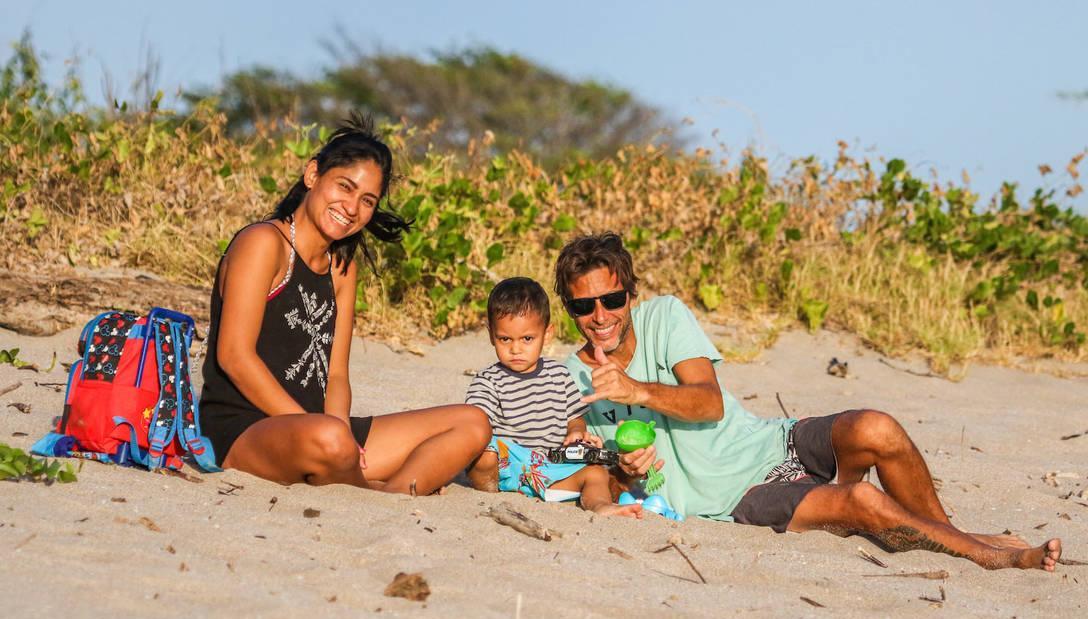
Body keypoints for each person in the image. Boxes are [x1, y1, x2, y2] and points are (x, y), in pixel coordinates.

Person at [554, 232, 1062, 571]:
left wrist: (637, 389)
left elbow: (708, 403)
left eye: (612, 299)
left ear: (631, 295)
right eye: (583, 304)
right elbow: (590, 467)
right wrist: (623, 466)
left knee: (876, 426)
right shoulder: (572, 377)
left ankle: (957, 535)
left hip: (770, 440)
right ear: (570, 309)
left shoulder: (664, 316)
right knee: (862, 501)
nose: (600, 315)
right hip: (736, 497)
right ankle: (989, 557)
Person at [199, 114, 489, 493]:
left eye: (366, 200)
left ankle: (391, 493)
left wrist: (344, 436)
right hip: (246, 430)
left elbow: (336, 375)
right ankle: (368, 490)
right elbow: (235, 357)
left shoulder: (342, 267)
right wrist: (330, 433)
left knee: (473, 422)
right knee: (330, 438)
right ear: (312, 175)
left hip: (326, 434)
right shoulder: (262, 243)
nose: (352, 208)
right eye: (344, 187)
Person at [464, 277, 641, 517]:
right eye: (505, 339)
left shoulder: (558, 374)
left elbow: (575, 418)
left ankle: (600, 506)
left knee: (596, 473)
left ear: (546, 335)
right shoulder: (489, 380)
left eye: (527, 339)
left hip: (550, 467)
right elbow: (472, 426)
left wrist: (576, 432)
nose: (516, 349)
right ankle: (488, 494)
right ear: (491, 334)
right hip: (508, 465)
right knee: (484, 453)